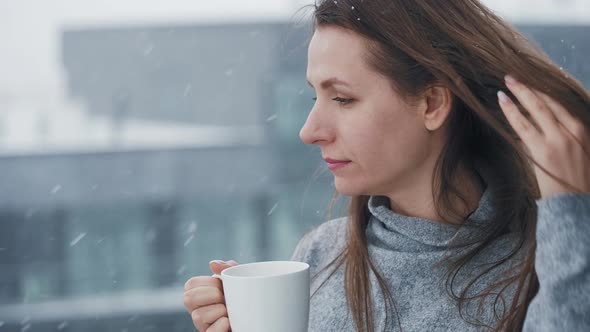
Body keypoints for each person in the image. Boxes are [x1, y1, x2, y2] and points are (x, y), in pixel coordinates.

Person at [182, 0, 590, 331]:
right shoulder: (322, 255)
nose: (309, 131)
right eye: (314, 98)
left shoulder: (551, 261)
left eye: (342, 98)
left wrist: (568, 220)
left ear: (431, 103)